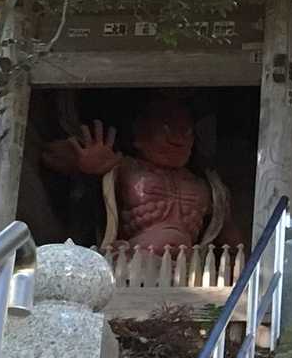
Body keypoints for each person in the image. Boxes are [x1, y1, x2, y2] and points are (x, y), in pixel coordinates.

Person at [43, 96, 243, 253]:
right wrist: (85, 163)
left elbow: (232, 240)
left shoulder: (208, 187)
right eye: (166, 127)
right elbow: (49, 155)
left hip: (189, 266)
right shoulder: (124, 168)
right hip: (132, 260)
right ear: (138, 133)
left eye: (186, 130)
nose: (178, 137)